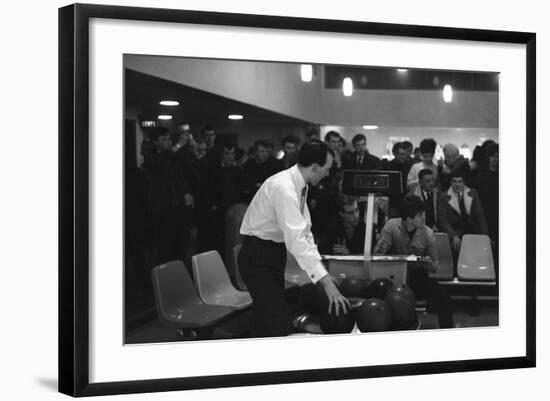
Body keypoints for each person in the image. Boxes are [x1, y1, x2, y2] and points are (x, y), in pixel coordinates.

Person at [239, 140, 350, 337]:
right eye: (327, 169)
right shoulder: (283, 187)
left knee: (263, 319)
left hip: (273, 253)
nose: (328, 173)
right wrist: (326, 282)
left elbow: (305, 231)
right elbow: (296, 238)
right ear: (315, 167)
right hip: (258, 256)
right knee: (279, 323)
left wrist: (321, 272)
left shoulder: (299, 185)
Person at [373, 195, 454, 329]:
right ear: (409, 219)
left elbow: (434, 265)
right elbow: (377, 255)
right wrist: (382, 247)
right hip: (393, 276)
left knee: (444, 297)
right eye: (420, 215)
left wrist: (430, 262)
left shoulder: (428, 233)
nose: (424, 218)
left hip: (417, 277)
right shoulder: (391, 226)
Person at [438, 170, 489, 255]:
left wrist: (485, 236)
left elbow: (480, 216)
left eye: (460, 181)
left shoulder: (473, 193)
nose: (457, 185)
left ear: (464, 183)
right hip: (456, 233)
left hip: (473, 232)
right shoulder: (443, 197)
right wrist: (453, 235)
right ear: (450, 182)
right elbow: (443, 221)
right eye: (454, 181)